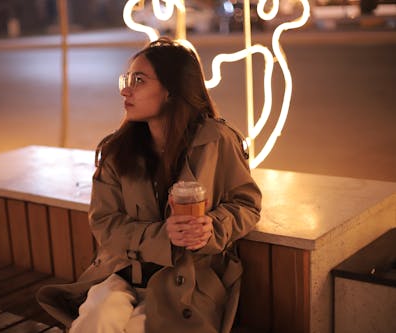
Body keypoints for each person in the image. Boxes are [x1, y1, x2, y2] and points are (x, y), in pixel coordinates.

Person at [37, 37, 262, 333]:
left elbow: (246, 203)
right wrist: (161, 235)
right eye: (126, 79)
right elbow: (104, 224)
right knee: (97, 319)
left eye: (139, 80)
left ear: (172, 90)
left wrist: (212, 227)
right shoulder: (117, 151)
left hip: (188, 279)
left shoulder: (217, 140)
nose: (125, 90)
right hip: (122, 270)